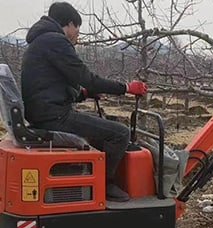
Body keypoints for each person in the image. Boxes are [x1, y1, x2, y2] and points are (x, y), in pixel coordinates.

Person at [21, 2, 147, 202]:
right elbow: (86, 77)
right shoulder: (55, 41)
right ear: (70, 24)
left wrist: (85, 94)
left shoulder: (39, 42)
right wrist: (126, 88)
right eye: (77, 28)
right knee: (120, 133)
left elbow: (54, 85)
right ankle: (105, 184)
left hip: (44, 114)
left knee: (101, 134)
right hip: (55, 117)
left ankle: (91, 180)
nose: (77, 34)